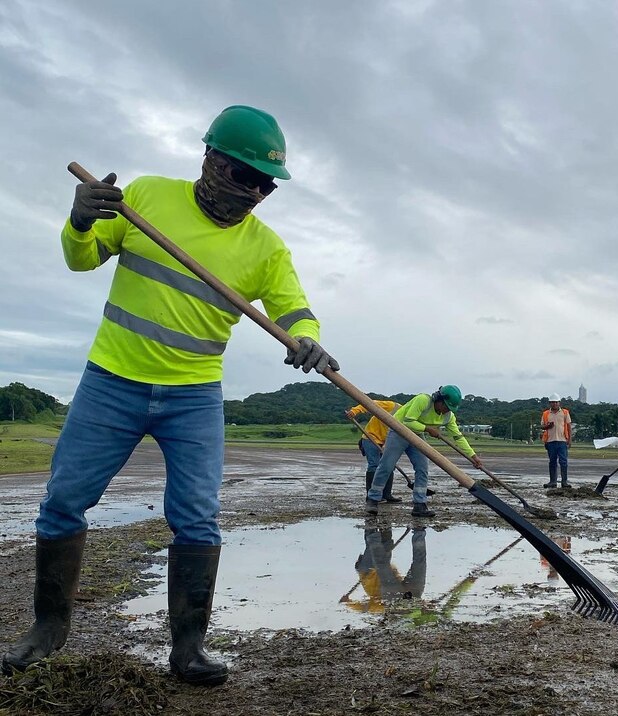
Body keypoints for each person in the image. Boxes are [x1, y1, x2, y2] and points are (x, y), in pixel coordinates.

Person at [1, 106, 338, 686]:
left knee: (198, 520)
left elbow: (294, 307)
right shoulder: (147, 197)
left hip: (195, 396)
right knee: (62, 502)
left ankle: (188, 650)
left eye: (265, 184)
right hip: (111, 382)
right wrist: (80, 221)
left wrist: (307, 338)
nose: (254, 191)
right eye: (243, 175)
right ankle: (47, 631)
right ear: (210, 159)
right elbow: (80, 259)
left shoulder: (266, 248)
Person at [366, 385, 482, 518]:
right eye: (445, 407)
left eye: (449, 409)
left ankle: (419, 504)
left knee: (422, 468)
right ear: (438, 399)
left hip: (417, 435)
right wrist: (428, 429)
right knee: (386, 465)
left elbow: (458, 437)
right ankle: (373, 499)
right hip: (398, 430)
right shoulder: (423, 400)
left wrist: (473, 456)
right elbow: (408, 421)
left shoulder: (448, 417)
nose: (446, 411)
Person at [344, 524, 427, 613]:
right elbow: (366, 608)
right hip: (403, 593)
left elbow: (365, 608)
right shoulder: (383, 607)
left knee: (381, 556)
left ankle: (373, 525)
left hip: (368, 571)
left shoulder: (380, 605)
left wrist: (348, 603)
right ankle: (382, 527)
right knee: (385, 551)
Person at [345, 400, 402, 502]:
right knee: (374, 465)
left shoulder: (409, 419)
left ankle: (386, 494)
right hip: (370, 438)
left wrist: (387, 445)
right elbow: (368, 403)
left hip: (386, 441)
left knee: (390, 466)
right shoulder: (392, 406)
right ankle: (370, 495)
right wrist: (354, 411)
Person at [540, 393, 572, 488]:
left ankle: (564, 482)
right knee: (552, 462)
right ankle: (553, 482)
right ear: (550, 403)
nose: (554, 404)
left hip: (562, 441)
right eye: (552, 402)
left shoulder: (565, 412)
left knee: (563, 462)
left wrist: (569, 439)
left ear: (559, 403)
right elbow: (542, 426)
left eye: (556, 402)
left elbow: (569, 426)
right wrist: (547, 426)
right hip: (550, 441)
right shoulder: (546, 414)